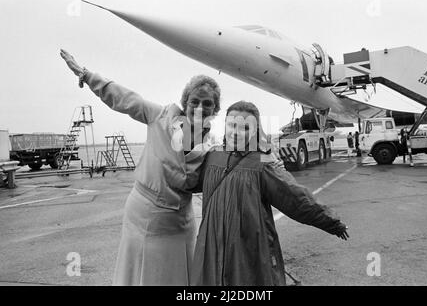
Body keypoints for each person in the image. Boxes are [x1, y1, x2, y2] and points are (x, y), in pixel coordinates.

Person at [60, 49, 221, 285]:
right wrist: (86, 74)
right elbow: (124, 99)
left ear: (214, 110)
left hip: (180, 223)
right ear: (185, 102)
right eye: (194, 101)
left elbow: (208, 181)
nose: (200, 107)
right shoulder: (160, 117)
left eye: (207, 104)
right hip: (145, 216)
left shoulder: (210, 146)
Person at [191, 101, 349, 286]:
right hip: (211, 245)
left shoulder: (262, 163)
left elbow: (294, 197)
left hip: (247, 249)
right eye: (232, 125)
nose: (236, 132)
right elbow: (187, 180)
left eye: (245, 127)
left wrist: (330, 222)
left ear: (255, 131)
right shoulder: (212, 157)